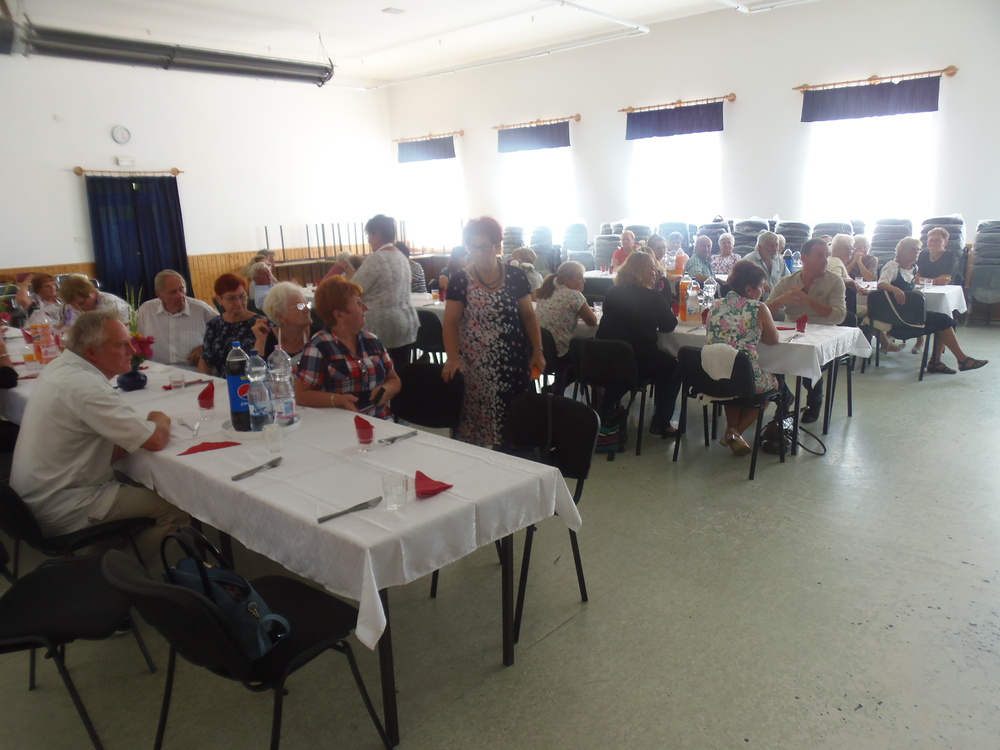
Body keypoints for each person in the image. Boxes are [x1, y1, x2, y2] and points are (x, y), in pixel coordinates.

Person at [9, 310, 188, 568]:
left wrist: (128, 436)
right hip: (62, 506)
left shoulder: (60, 367)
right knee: (176, 508)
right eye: (121, 344)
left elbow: (103, 440)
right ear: (92, 353)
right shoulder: (85, 386)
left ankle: (98, 559)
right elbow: (156, 440)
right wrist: (158, 418)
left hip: (34, 499)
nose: (132, 349)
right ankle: (118, 576)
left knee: (134, 477)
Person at [442, 216, 545, 447]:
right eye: (473, 246)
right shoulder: (460, 280)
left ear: (497, 247)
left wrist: (538, 350)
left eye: (485, 246)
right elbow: (450, 323)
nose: (479, 252)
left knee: (513, 425)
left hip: (513, 363)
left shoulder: (516, 276)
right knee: (476, 426)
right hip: (476, 366)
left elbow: (529, 316)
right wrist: (453, 357)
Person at [597, 252, 681, 437]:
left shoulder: (612, 292)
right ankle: (661, 422)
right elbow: (668, 325)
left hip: (607, 356)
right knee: (675, 369)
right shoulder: (653, 298)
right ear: (640, 272)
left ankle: (607, 408)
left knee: (623, 373)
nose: (656, 273)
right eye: (652, 269)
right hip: (639, 359)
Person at [294, 275, 401, 418]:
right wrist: (337, 400)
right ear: (339, 315)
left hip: (380, 420)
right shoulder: (319, 346)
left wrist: (385, 390)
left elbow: (394, 380)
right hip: (341, 423)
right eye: (357, 303)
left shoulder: (372, 341)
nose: (365, 307)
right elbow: (301, 395)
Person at [877, 237, 987, 375]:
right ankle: (954, 361)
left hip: (908, 312)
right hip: (897, 316)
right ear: (901, 251)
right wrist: (896, 290)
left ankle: (947, 361)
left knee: (944, 320)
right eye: (913, 250)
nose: (916, 253)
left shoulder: (914, 268)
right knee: (944, 321)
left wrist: (913, 292)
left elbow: (907, 288)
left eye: (918, 250)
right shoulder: (892, 266)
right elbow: (881, 283)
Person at [766, 238, 846, 423]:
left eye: (827, 256)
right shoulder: (787, 282)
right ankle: (784, 398)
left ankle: (814, 401)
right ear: (804, 258)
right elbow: (764, 311)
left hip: (823, 334)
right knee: (767, 356)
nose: (825, 260)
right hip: (793, 333)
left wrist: (807, 300)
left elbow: (840, 315)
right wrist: (781, 300)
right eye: (820, 256)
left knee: (809, 361)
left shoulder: (835, 282)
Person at [705, 260, 781, 456]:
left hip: (714, 375)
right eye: (760, 288)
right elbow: (773, 339)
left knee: (731, 381)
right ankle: (735, 432)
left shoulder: (715, 304)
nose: (762, 292)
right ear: (749, 289)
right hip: (746, 377)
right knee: (774, 384)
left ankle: (732, 430)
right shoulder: (758, 308)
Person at [351, 214, 419, 365]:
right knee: (401, 371)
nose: (368, 240)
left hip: (380, 327)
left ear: (378, 236)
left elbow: (353, 289)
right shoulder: (401, 257)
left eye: (369, 235)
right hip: (405, 323)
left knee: (380, 374)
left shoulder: (376, 259)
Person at [135, 270, 218, 368]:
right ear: (159, 294)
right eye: (172, 292)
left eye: (181, 289)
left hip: (193, 371)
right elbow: (132, 340)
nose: (180, 295)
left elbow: (225, 334)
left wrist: (206, 348)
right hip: (156, 370)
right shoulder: (146, 310)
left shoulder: (201, 309)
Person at [198, 273, 267, 376]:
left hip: (254, 380)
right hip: (222, 382)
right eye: (231, 298)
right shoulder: (214, 325)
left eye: (242, 296)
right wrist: (205, 380)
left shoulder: (261, 324)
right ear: (219, 300)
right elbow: (206, 360)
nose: (238, 302)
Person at [535, 260, 598, 366]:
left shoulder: (546, 291)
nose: (584, 281)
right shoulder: (574, 295)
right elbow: (592, 322)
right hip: (560, 353)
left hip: (541, 349)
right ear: (566, 279)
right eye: (580, 277)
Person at [252, 281, 318, 366]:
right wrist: (260, 340)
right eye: (300, 306)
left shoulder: (318, 336)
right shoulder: (267, 338)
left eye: (307, 304)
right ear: (280, 316)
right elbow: (256, 370)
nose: (307, 310)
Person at [57, 275, 130, 327]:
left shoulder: (112, 304)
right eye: (72, 305)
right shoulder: (68, 305)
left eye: (81, 303)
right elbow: (62, 327)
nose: (76, 308)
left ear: (92, 291)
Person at [742, 231, 789, 299]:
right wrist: (758, 285)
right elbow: (741, 288)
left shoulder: (779, 260)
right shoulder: (748, 261)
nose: (775, 249)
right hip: (755, 303)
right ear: (759, 247)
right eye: (771, 246)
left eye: (776, 245)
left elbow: (788, 280)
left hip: (778, 302)